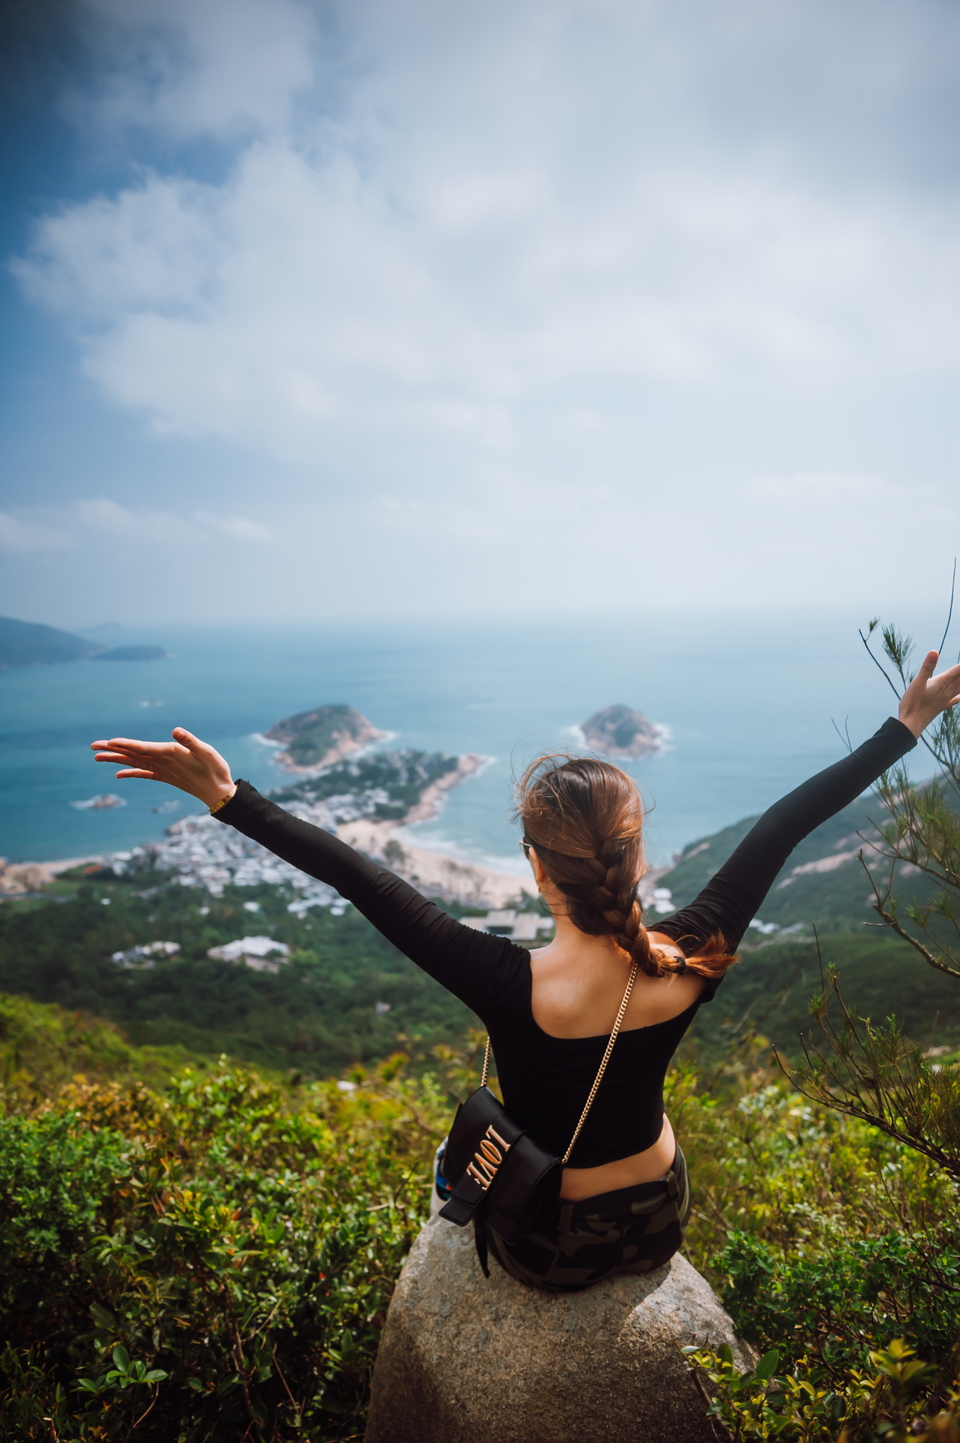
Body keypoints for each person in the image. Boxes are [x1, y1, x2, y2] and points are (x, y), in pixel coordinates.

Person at [91, 648, 960, 1293]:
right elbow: (786, 822)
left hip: (548, 1245)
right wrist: (905, 727)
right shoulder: (694, 954)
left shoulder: (503, 979)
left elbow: (360, 877)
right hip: (657, 1219)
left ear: (536, 870)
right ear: (638, 855)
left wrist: (228, 796)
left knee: (455, 1151)